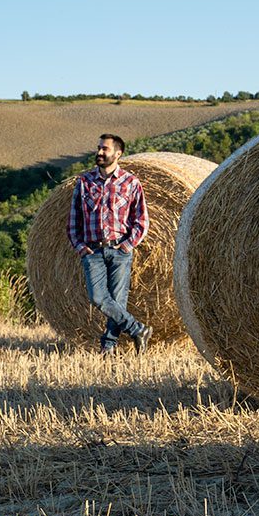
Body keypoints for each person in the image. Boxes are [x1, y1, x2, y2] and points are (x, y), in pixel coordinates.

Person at [67, 133, 153, 355]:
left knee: (117, 300)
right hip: (93, 250)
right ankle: (138, 329)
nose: (99, 152)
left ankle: (108, 345)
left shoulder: (130, 182)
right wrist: (81, 247)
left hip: (120, 250)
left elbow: (141, 220)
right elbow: (74, 220)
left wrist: (127, 245)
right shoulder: (84, 182)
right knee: (97, 298)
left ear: (118, 153)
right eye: (99, 148)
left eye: (104, 149)